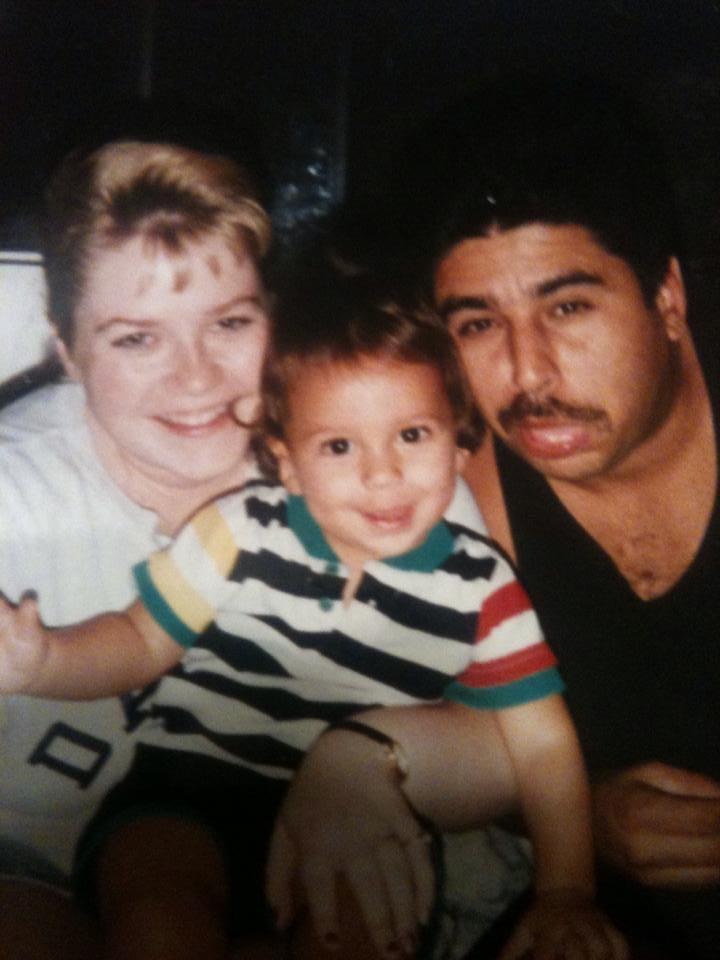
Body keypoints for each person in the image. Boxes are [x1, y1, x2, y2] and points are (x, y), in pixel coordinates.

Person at [0, 272, 627, 960]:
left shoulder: (482, 586)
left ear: (459, 445)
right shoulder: (240, 530)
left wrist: (566, 891)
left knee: (365, 933)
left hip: (361, 821)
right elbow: (138, 640)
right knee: (158, 920)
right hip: (189, 791)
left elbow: (541, 745)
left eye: (411, 434)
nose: (381, 474)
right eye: (338, 446)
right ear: (288, 463)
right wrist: (45, 661)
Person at [277, 76, 718, 959]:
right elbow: (494, 730)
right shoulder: (449, 481)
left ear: (668, 298)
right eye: (479, 324)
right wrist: (362, 762)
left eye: (568, 307)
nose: (529, 372)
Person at [0, 137, 272, 958]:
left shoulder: (355, 463)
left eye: (229, 323)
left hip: (249, 857)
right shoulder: (15, 494)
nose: (197, 378)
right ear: (66, 346)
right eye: (136, 339)